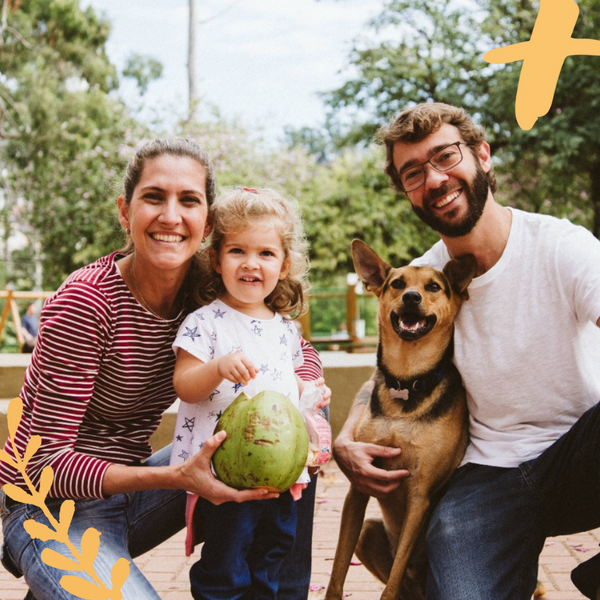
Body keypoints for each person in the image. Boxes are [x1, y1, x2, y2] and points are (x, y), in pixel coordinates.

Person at [0, 139, 326, 600]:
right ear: (124, 211)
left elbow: (292, 345)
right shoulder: (85, 305)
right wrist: (175, 477)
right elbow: (41, 464)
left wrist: (308, 380)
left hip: (134, 492)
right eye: (154, 197)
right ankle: (54, 563)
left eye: (188, 200)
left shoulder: (210, 284)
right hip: (51, 503)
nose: (171, 216)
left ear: (207, 222)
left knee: (296, 412)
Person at [333, 102, 600, 600]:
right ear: (406, 191)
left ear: (482, 154)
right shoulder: (424, 284)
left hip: (582, 459)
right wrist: (346, 438)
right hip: (488, 474)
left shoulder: (563, 246)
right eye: (413, 172)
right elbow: (389, 371)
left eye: (445, 157)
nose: (434, 179)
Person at [171, 186, 329, 599]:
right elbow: (184, 383)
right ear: (215, 259)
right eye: (237, 251)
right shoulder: (206, 322)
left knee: (272, 555)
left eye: (266, 253)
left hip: (281, 474)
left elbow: (282, 382)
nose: (251, 264)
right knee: (226, 564)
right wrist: (218, 367)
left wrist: (308, 392)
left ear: (285, 263)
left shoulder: (285, 328)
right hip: (227, 471)